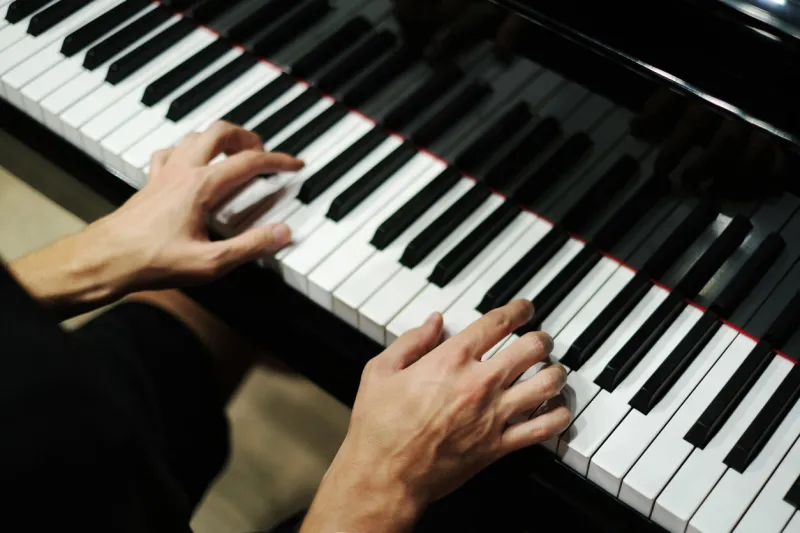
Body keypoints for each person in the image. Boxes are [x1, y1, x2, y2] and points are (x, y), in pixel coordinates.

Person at [0, 121, 570, 532]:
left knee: (203, 295)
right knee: (517, 498)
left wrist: (95, 256)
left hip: (37, 410)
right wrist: (384, 481)